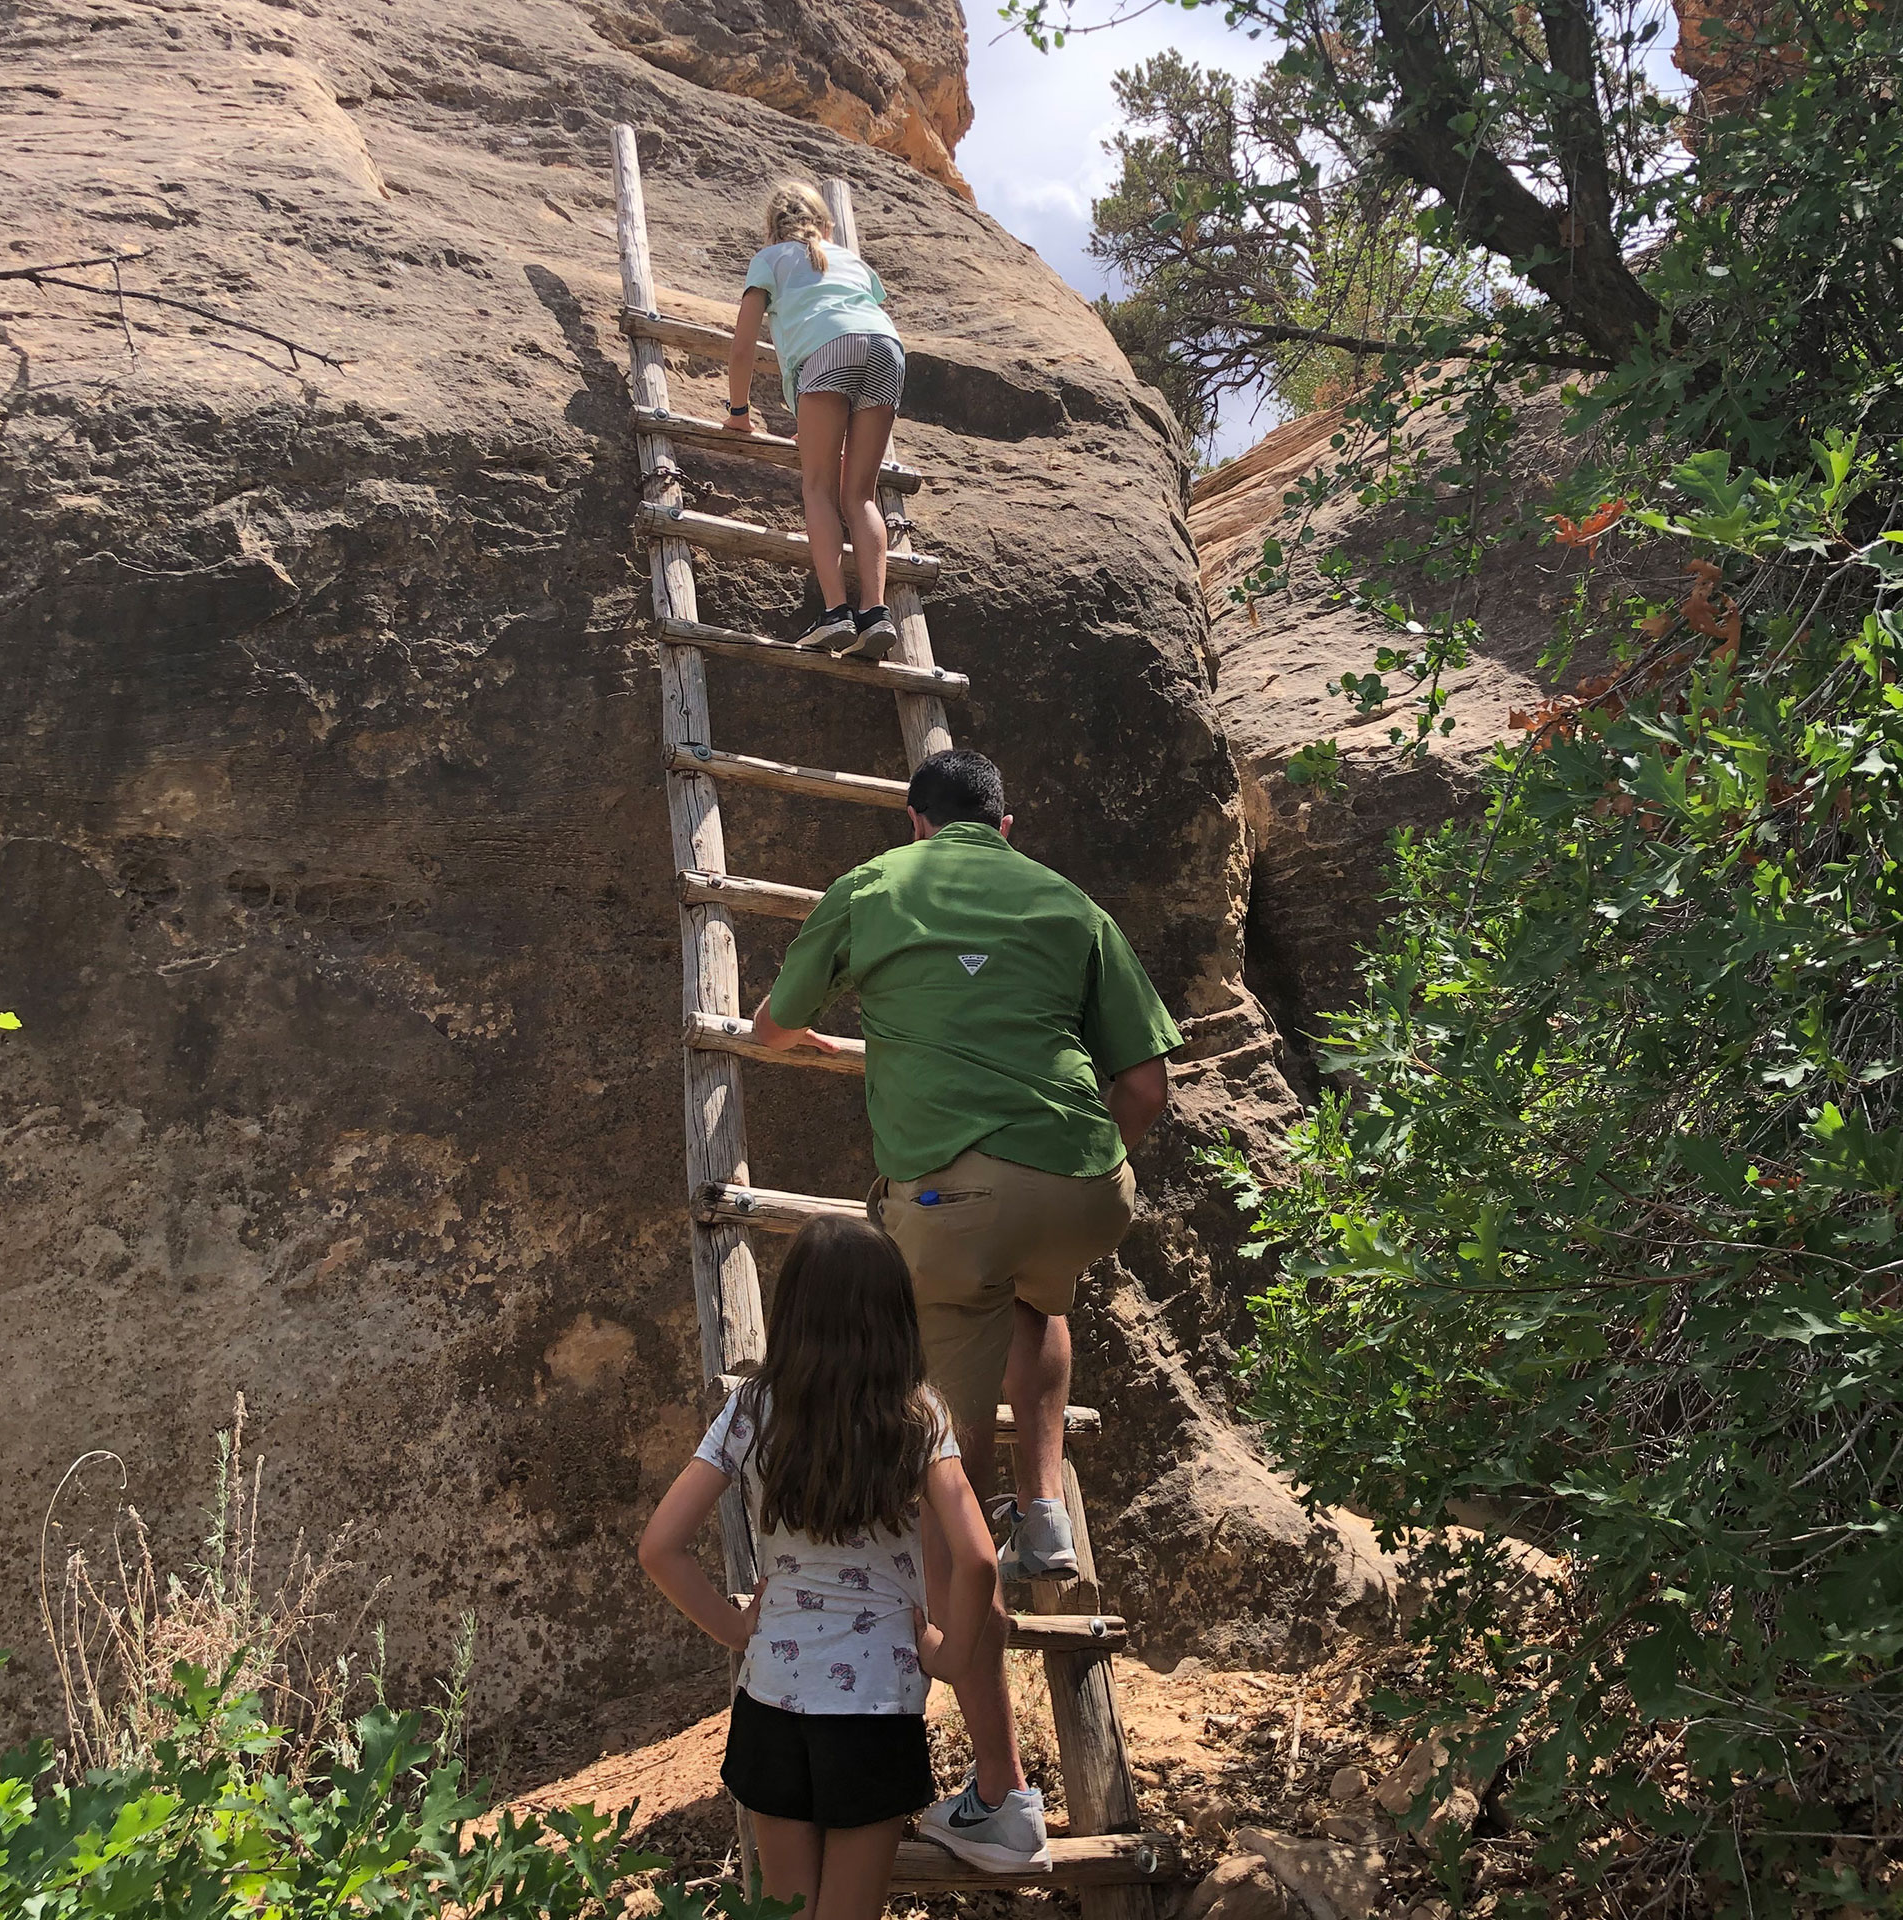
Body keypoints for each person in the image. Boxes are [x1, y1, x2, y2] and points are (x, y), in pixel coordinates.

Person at [749, 749, 1182, 1872]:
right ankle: (1044, 1506)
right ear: (1008, 817)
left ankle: (1002, 1792)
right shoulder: (1070, 903)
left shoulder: (872, 887)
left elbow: (768, 1032)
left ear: (912, 819)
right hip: (1083, 1188)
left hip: (949, 1204)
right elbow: (1144, 1089)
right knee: (1042, 1293)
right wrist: (1066, 1171)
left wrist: (859, 1045)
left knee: (951, 1517)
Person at [639, 1216, 1008, 1920]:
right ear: (896, 1314)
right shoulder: (918, 1416)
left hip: (771, 1697)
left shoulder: (752, 1408)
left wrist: (732, 1627)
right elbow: (979, 1560)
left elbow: (660, 1546)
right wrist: (951, 1656)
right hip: (875, 1707)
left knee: (787, 1909)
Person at [725, 181, 905, 660]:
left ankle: (837, 614)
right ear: (826, 224)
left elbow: (743, 346)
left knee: (819, 486)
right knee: (860, 494)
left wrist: (739, 412)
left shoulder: (769, 260)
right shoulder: (851, 260)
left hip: (827, 354)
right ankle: (876, 612)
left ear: (772, 229)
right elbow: (857, 323)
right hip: (887, 350)